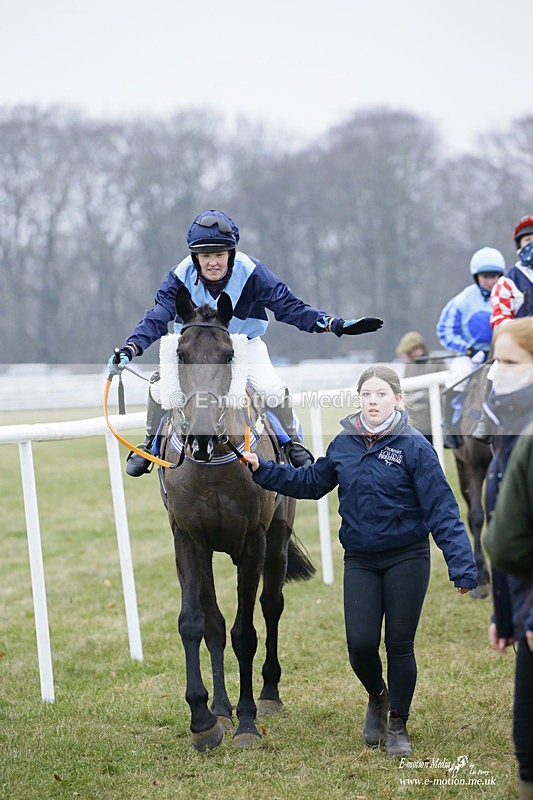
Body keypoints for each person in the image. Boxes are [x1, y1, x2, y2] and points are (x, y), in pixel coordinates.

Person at [242, 365, 477, 758]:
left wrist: (462, 566)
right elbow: (311, 482)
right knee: (360, 645)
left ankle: (398, 724)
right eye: (367, 394)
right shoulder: (344, 444)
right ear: (359, 399)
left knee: (399, 644)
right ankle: (377, 695)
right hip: (362, 559)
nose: (373, 401)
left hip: (408, 557)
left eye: (381, 394)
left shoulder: (415, 447)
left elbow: (443, 510)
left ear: (397, 400)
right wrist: (262, 469)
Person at [107, 210, 383, 475]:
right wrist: (131, 348)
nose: (213, 262)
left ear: (231, 253)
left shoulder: (252, 272)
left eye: (219, 254)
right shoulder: (179, 276)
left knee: (271, 388)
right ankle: (149, 444)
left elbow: (289, 306)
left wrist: (332, 324)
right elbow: (157, 317)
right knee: (160, 388)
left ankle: (291, 442)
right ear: (195, 257)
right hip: (194, 347)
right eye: (205, 256)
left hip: (242, 344)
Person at [481, 319, 533, 800]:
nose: (498, 373)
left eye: (511, 363)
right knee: (526, 747)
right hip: (522, 615)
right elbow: (502, 534)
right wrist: (504, 613)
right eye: (495, 361)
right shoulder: (507, 431)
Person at [436, 246, 505, 448]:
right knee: (458, 375)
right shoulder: (462, 300)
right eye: (486, 276)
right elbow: (445, 330)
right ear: (477, 277)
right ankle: (448, 426)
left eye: (495, 276)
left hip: (501, 353)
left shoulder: (508, 295)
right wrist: (469, 350)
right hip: (469, 354)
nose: (491, 281)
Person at [473, 216, 533, 443]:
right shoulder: (507, 282)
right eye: (528, 240)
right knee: (496, 368)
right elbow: (500, 320)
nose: (532, 244)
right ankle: (486, 420)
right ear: (519, 246)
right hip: (518, 347)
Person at [395, 330, 446, 444]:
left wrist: (424, 395)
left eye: (409, 352)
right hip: (414, 421)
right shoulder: (409, 366)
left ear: (418, 348)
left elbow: (445, 389)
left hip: (433, 419)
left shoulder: (436, 362)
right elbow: (405, 389)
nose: (407, 356)